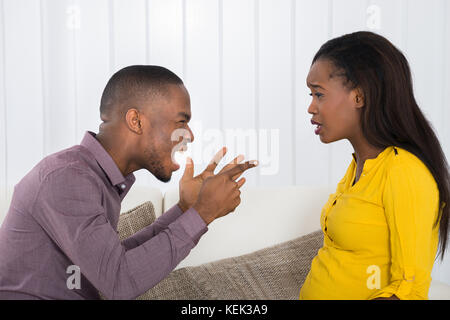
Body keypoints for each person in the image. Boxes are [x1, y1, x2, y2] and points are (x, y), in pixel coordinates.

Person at [0, 65, 257, 299]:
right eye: (181, 121)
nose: (189, 135)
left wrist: (186, 209)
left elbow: (113, 262)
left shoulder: (92, 176)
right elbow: (119, 282)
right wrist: (203, 213)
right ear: (136, 121)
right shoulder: (67, 179)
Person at [300, 31, 449, 300]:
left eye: (319, 94)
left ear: (359, 97)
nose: (311, 107)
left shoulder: (403, 171)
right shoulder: (359, 167)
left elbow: (409, 289)